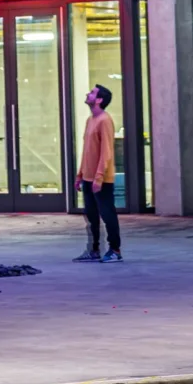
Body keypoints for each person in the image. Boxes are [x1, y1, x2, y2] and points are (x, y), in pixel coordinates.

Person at [73, 83, 122, 262]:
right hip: (88, 177)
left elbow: (106, 151)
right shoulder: (90, 120)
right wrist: (80, 175)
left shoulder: (105, 120)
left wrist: (99, 177)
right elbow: (87, 151)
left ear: (99, 100)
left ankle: (115, 250)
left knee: (107, 214)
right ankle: (94, 250)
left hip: (101, 179)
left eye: (92, 93)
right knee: (91, 216)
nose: (88, 94)